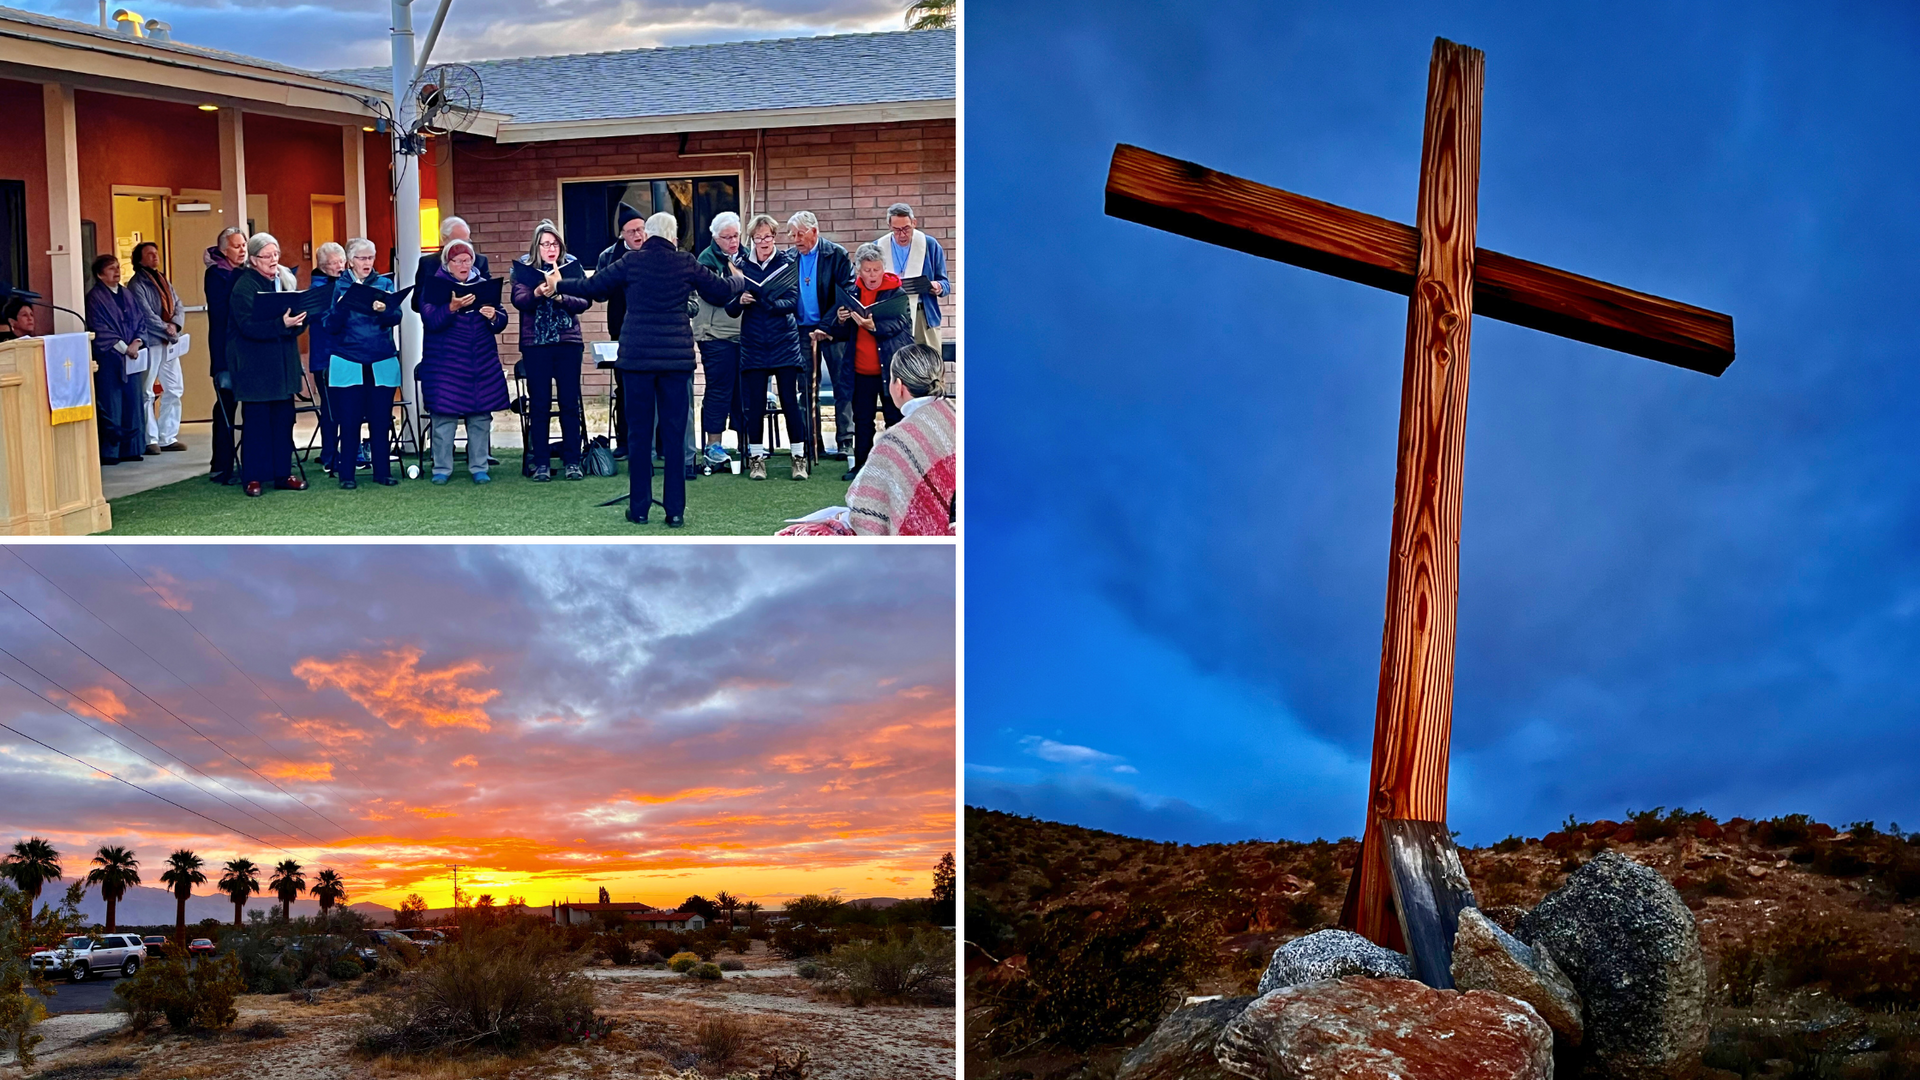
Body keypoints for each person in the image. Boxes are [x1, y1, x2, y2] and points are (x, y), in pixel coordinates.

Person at [551, 211, 743, 526]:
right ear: (673, 237)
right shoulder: (685, 262)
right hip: (676, 361)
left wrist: (559, 284)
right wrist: (739, 278)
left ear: (649, 235)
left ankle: (639, 509)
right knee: (674, 434)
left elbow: (593, 287)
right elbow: (720, 292)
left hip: (637, 360)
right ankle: (675, 511)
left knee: (639, 435)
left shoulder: (631, 261)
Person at [777, 344, 955, 536]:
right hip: (964, 528)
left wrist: (842, 518)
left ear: (898, 386)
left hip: (925, 537)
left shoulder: (896, 442)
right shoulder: (957, 416)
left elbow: (865, 513)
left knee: (797, 534)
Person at [226, 233, 310, 498]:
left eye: (276, 254)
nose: (274, 260)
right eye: (267, 256)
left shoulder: (284, 280)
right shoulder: (244, 286)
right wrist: (280, 324)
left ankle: (283, 473)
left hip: (283, 367)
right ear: (253, 259)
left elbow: (293, 321)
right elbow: (246, 326)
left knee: (284, 422)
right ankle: (253, 477)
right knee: (257, 426)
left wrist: (300, 320)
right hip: (256, 369)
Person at [418, 237, 508, 484]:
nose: (464, 265)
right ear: (448, 263)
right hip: (444, 364)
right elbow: (430, 321)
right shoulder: (434, 286)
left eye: (468, 260)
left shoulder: (483, 285)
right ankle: (441, 469)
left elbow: (501, 320)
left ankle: (479, 467)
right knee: (444, 417)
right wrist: (451, 307)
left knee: (480, 417)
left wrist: (494, 315)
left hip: (481, 363)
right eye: (458, 261)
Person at [729, 213, 808, 481]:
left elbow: (793, 302)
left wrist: (768, 301)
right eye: (758, 237)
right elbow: (730, 308)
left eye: (768, 236)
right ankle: (756, 459)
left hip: (784, 342)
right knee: (755, 404)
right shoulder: (740, 265)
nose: (764, 242)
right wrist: (740, 300)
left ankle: (798, 458)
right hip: (753, 343)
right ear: (752, 239)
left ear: (774, 237)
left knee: (789, 401)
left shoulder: (787, 262)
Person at [824, 242, 913, 480]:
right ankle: (861, 467)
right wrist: (840, 320)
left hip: (891, 371)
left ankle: (897, 469)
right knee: (862, 420)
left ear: (883, 268)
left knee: (894, 420)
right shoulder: (852, 292)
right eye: (867, 270)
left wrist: (874, 326)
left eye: (876, 270)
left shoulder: (896, 293)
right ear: (859, 270)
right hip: (860, 369)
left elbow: (903, 325)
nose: (872, 275)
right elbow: (840, 334)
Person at [511, 220, 591, 482]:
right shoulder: (524, 268)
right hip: (536, 344)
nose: (551, 249)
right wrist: (537, 292)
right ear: (537, 247)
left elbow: (584, 300)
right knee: (540, 403)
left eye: (554, 243)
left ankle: (573, 461)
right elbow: (519, 300)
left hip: (568, 342)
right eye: (545, 244)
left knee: (569, 403)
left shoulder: (572, 266)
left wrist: (559, 295)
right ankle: (541, 463)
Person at [322, 239, 404, 490]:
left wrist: (385, 310)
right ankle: (347, 474)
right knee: (349, 421)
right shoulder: (338, 286)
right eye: (362, 258)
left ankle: (382, 472)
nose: (367, 263)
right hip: (347, 360)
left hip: (381, 359)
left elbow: (396, 316)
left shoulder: (384, 284)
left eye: (370, 257)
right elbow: (328, 325)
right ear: (350, 260)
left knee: (381, 420)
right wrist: (342, 307)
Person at [788, 211, 855, 462]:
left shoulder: (836, 255)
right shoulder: (789, 257)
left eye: (800, 234)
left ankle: (845, 441)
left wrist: (826, 326)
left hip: (834, 330)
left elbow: (846, 292)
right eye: (792, 235)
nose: (796, 240)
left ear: (814, 232)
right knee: (806, 388)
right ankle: (811, 442)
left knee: (842, 384)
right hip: (802, 331)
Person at [692, 211, 745, 472]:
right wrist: (739, 283)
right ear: (715, 238)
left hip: (742, 333)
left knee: (743, 390)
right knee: (719, 388)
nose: (733, 241)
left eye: (736, 236)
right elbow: (714, 293)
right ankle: (713, 445)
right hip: (714, 334)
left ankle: (748, 443)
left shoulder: (746, 256)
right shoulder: (705, 260)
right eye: (727, 237)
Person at [84, 254, 148, 466]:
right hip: (110, 357)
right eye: (111, 268)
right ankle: (111, 451)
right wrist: (123, 348)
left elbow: (140, 320)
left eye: (118, 267)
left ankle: (133, 448)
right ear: (100, 274)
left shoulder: (127, 294)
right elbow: (99, 327)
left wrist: (137, 342)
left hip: (133, 357)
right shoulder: (95, 298)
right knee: (112, 402)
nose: (117, 272)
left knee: (133, 402)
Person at [126, 242, 188, 454]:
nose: (155, 257)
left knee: (175, 387)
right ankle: (149, 438)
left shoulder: (162, 279)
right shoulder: (137, 284)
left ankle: (167, 436)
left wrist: (175, 325)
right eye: (149, 254)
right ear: (139, 259)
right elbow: (145, 314)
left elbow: (178, 304)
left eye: (156, 253)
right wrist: (165, 328)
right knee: (147, 390)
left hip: (168, 342)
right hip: (151, 341)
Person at [594, 206, 645, 461]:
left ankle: (658, 441)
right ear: (622, 233)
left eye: (641, 229)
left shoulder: (654, 251)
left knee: (655, 387)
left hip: (652, 331)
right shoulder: (609, 256)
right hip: (621, 331)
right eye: (632, 231)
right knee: (624, 388)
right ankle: (624, 441)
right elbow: (598, 293)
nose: (638, 235)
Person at [204, 226, 248, 483]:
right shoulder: (215, 274)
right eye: (236, 246)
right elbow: (222, 310)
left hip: (248, 350)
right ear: (223, 250)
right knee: (225, 405)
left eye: (244, 245)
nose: (242, 250)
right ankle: (221, 465)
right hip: (225, 350)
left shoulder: (244, 272)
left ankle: (252, 460)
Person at [876, 202, 951, 351]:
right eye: (897, 230)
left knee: (929, 361)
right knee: (896, 360)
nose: (902, 235)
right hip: (892, 316)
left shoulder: (929, 245)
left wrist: (938, 286)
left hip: (923, 315)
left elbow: (945, 284)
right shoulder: (879, 246)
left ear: (914, 223)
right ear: (889, 226)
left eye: (906, 228)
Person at [308, 242, 346, 475]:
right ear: (322, 266)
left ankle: (347, 451)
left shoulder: (345, 283)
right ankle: (329, 454)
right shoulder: (317, 289)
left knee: (345, 406)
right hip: (325, 357)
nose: (339, 266)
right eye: (333, 263)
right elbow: (323, 319)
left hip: (345, 354)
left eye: (341, 261)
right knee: (331, 408)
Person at [411, 216, 489, 313]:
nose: (463, 246)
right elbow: (416, 304)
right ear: (444, 239)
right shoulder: (428, 263)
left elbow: (491, 298)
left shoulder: (480, 261)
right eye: (457, 242)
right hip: (441, 320)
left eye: (467, 242)